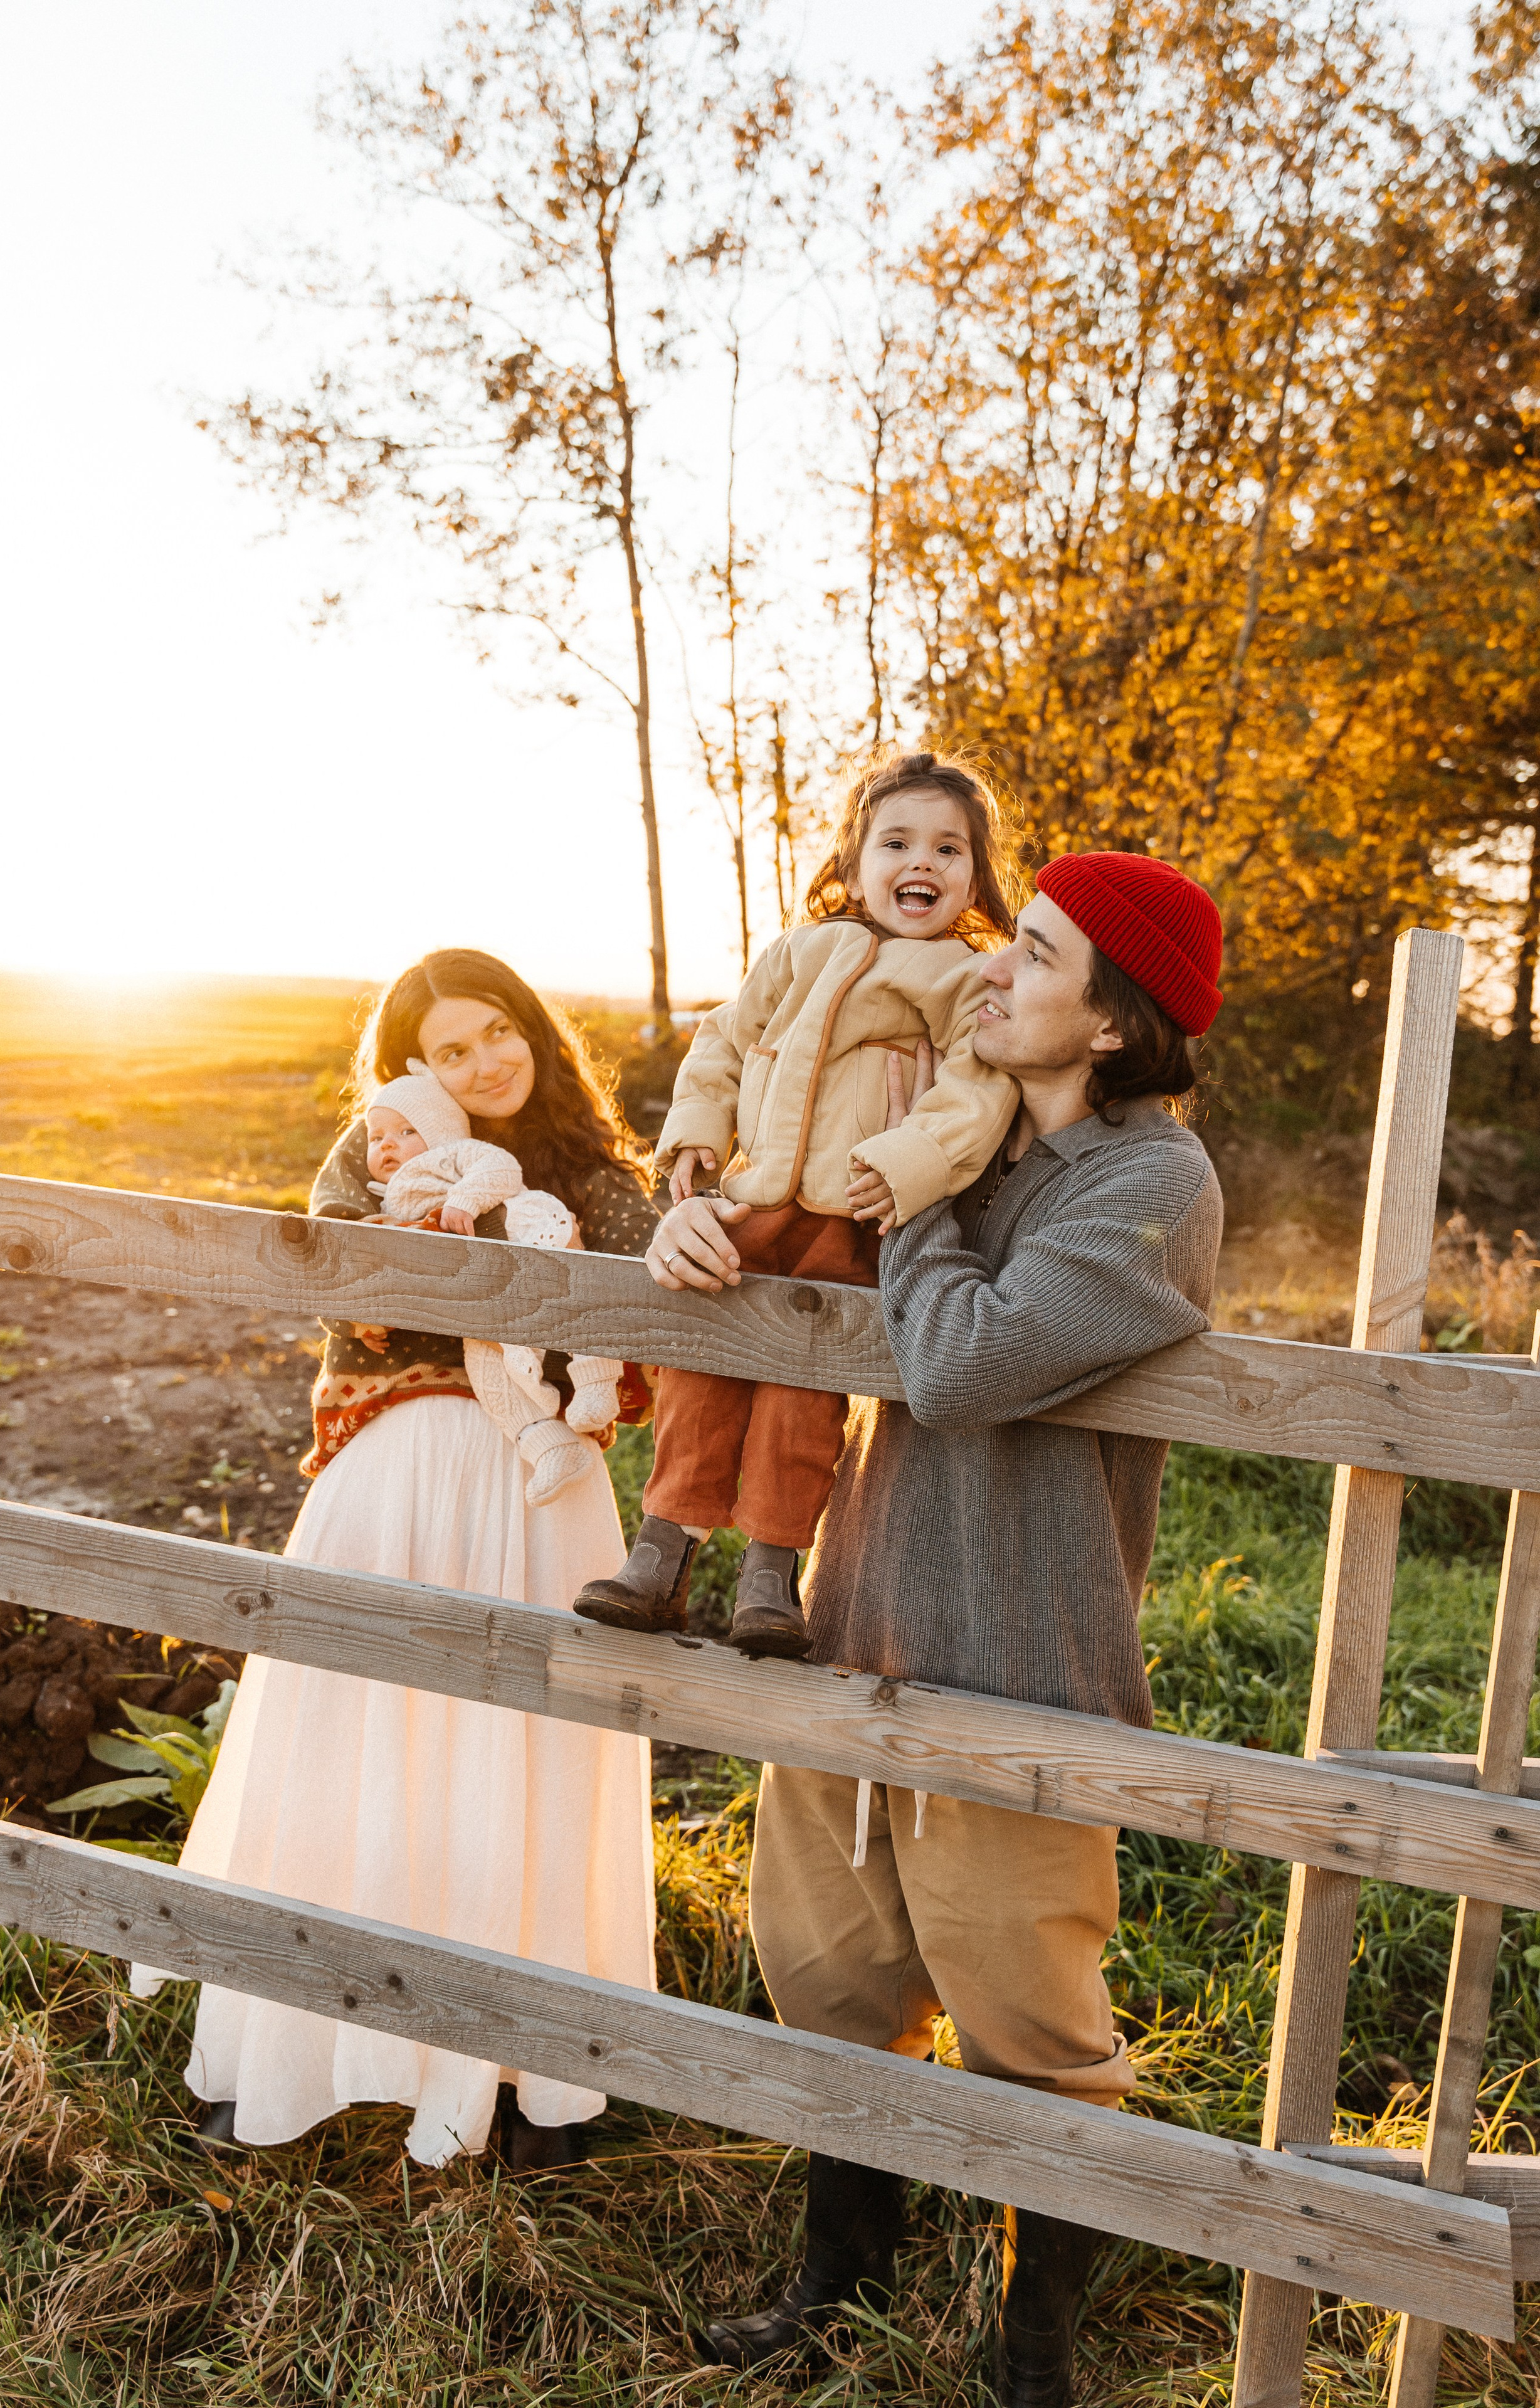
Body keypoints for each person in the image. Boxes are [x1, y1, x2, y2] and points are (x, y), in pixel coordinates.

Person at [644, 851, 1226, 2405]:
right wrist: (683, 1225)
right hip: (851, 1629)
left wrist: (906, 1201)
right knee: (828, 1984)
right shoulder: (947, 1128)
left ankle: (1033, 2356)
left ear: (1110, 1022)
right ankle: (837, 2284)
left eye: (1031, 954)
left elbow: (963, 1364)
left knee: (1034, 2035)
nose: (989, 968)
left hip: (1014, 1664)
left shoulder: (1147, 1185)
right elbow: (774, 1197)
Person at [130, 951, 660, 2174]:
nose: (485, 1063)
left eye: (499, 1032)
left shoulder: (591, 1168)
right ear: (412, 1067)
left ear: (535, 1030)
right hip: (398, 1471)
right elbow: (344, 1283)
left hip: (540, 1491)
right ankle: (289, 2051)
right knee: (341, 1745)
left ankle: (532, 2075)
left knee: (532, 1759)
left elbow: (644, 1306)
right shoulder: (376, 1149)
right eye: (450, 1050)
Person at [574, 749, 1020, 1659]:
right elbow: (722, 1043)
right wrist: (697, 1129)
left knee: (802, 1393)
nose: (922, 862)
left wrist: (907, 1160)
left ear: (976, 879)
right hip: (753, 1206)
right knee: (701, 1367)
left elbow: (976, 1094)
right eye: (896, 843)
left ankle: (770, 1576)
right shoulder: (796, 953)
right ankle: (660, 1556)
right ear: (853, 866)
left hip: (847, 1221)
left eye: (948, 849)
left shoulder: (962, 978)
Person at [362, 1069, 623, 1504]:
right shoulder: (384, 1194)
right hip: (482, 1293)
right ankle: (548, 1447)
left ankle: (598, 1380)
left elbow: (503, 1168)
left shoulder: (453, 1154)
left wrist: (465, 1199)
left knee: (570, 1300)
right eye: (377, 1137)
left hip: (522, 1231)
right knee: (488, 1372)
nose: (388, 1144)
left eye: (406, 1131)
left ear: (440, 1130)